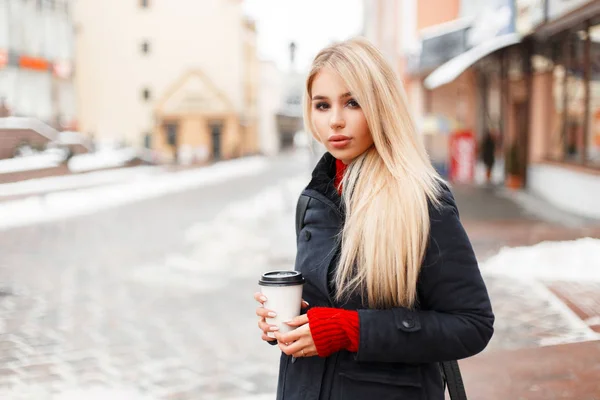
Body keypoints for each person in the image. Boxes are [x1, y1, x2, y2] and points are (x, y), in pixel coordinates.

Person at [254, 37, 494, 400]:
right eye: (322, 105)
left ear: (381, 105)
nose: (335, 120)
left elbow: (471, 325)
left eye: (352, 102)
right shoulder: (314, 199)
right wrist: (293, 322)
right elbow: (332, 303)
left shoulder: (422, 199)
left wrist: (351, 330)